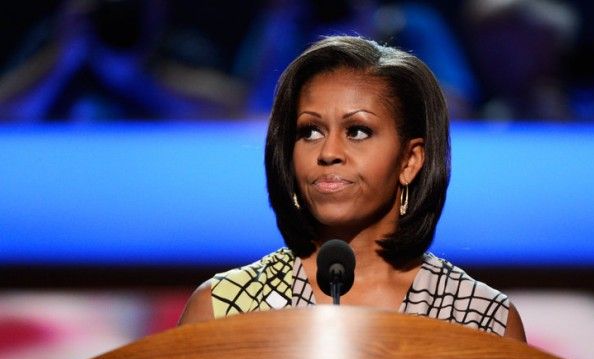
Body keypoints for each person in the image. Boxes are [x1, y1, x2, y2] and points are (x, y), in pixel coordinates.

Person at [179, 35, 526, 341]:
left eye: (357, 131)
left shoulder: (481, 319)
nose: (328, 153)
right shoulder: (224, 306)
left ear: (410, 160)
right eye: (310, 131)